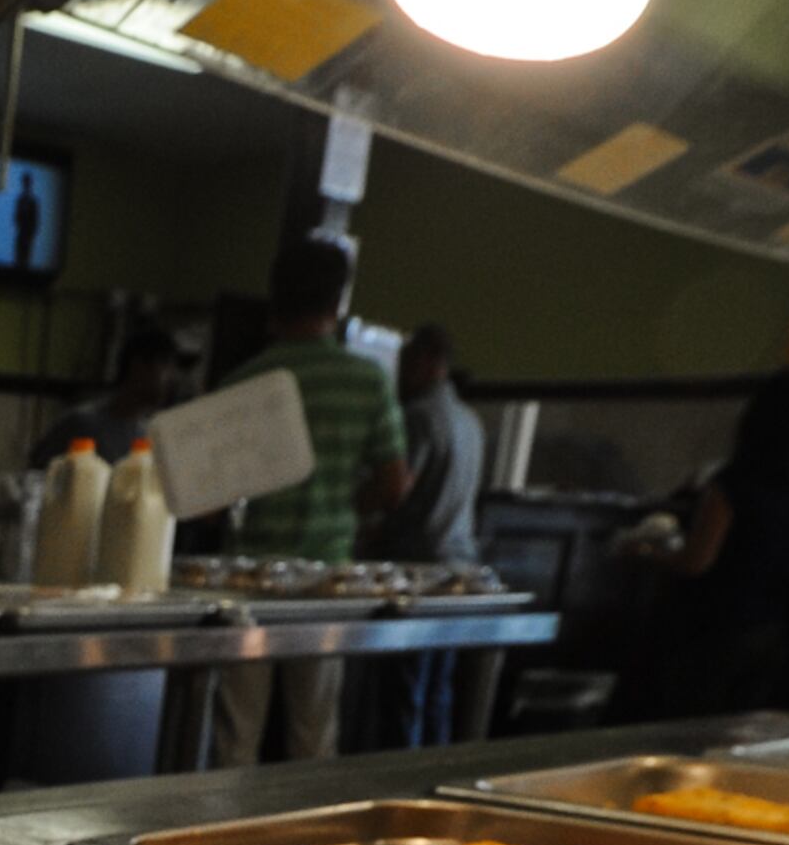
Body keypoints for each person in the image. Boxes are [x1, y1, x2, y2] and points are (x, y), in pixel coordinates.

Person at [213, 236, 411, 765]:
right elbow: (396, 484)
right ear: (338, 300)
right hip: (327, 580)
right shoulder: (368, 380)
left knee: (237, 734)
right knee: (313, 733)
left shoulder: (244, 382)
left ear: (275, 297)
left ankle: (217, 835)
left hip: (247, 580)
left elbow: (210, 496)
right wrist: (346, 506)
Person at [649, 368, 789, 717]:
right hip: (774, 627)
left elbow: (697, 560)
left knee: (689, 728)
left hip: (717, 626)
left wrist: (649, 553)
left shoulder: (732, 482)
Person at [371, 322, 487, 746]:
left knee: (405, 697)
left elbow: (398, 488)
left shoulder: (419, 416)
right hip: (462, 572)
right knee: (438, 693)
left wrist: (360, 507)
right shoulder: (469, 420)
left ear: (422, 361)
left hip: (419, 570)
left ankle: (398, 782)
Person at [38, 328, 192, 465]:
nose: (172, 378)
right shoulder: (82, 425)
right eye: (165, 365)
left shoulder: (150, 438)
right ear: (138, 366)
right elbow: (35, 476)